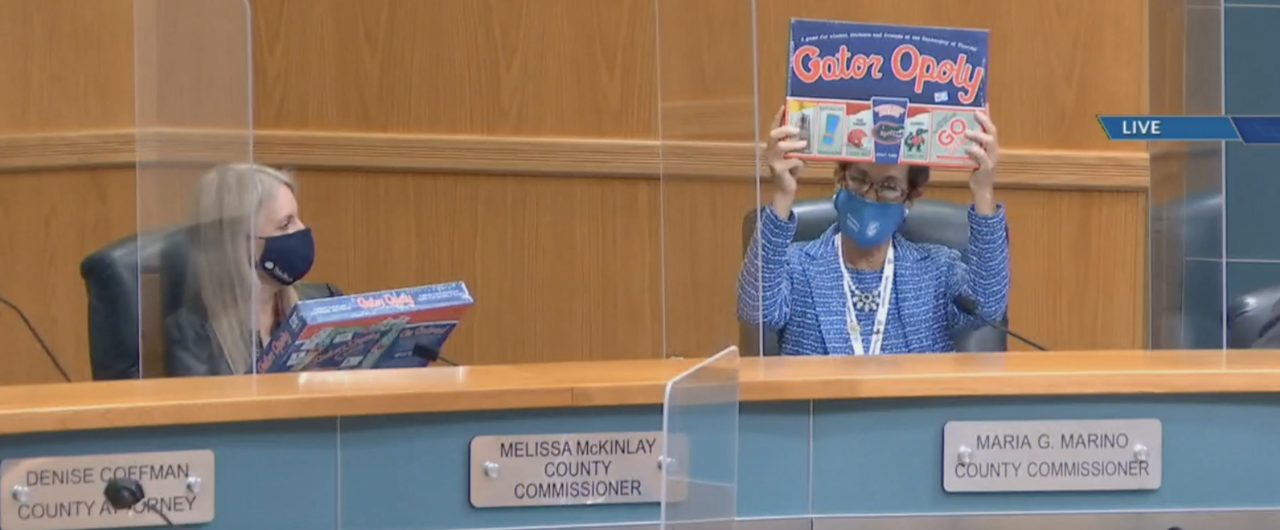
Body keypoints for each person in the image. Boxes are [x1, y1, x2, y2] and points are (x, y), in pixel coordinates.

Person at [737, 107, 1010, 355]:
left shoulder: (936, 270)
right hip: (819, 409)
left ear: (909, 198)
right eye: (858, 179)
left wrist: (984, 190)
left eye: (889, 187)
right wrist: (784, 194)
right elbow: (755, 308)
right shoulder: (799, 266)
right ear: (839, 180)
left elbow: (988, 305)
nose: (869, 197)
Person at [166, 164, 341, 376]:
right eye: (285, 225)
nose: (302, 231)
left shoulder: (326, 303)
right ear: (237, 244)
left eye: (297, 218)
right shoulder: (193, 337)